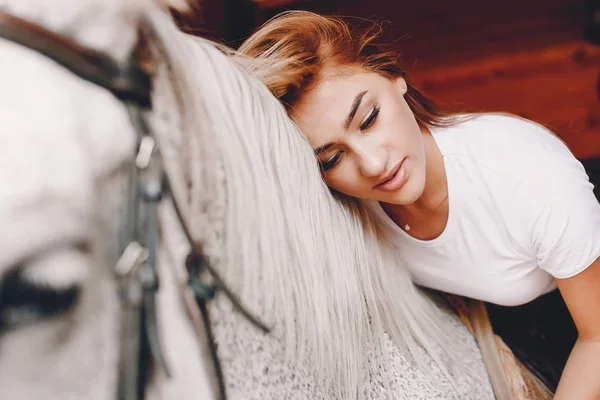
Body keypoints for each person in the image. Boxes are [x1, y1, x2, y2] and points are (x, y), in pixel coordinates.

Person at [239, 10, 600, 399]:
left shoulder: (530, 176)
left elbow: (597, 336)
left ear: (396, 79)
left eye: (369, 119)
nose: (373, 164)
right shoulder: (340, 207)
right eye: (331, 158)